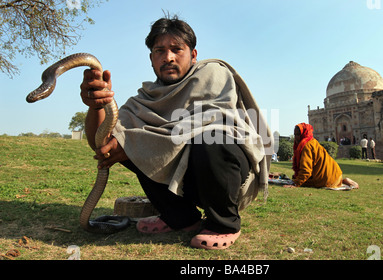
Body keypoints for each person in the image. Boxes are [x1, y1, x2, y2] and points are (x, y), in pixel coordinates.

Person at [79, 15, 272, 250]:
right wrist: (97, 105)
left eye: (176, 49)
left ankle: (224, 224)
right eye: (159, 51)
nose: (168, 57)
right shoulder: (144, 100)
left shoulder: (212, 73)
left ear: (193, 54)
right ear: (151, 59)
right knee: (126, 142)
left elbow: (210, 122)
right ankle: (181, 218)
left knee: (210, 137)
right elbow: (103, 143)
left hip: (223, 173)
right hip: (184, 180)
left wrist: (136, 144)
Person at [291, 123, 359, 190]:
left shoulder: (306, 146)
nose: (296, 137)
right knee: (296, 179)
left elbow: (306, 170)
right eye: (295, 135)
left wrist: (296, 183)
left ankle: (341, 182)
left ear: (304, 133)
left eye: (298, 134)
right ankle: (343, 181)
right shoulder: (312, 142)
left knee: (300, 182)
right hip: (336, 175)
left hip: (327, 180)